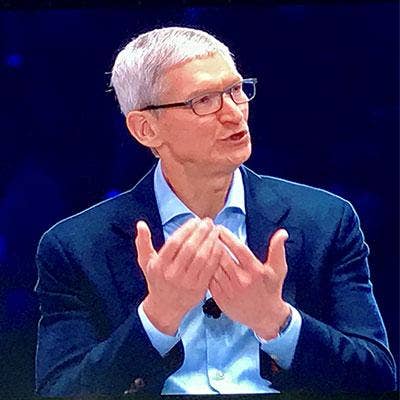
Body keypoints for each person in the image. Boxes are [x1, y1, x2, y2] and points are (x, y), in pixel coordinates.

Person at [34, 27, 396, 396]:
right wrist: (157, 318)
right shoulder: (74, 247)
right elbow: (61, 391)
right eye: (203, 100)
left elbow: (377, 380)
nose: (234, 114)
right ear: (145, 128)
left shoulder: (326, 221)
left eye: (236, 90)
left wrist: (275, 320)